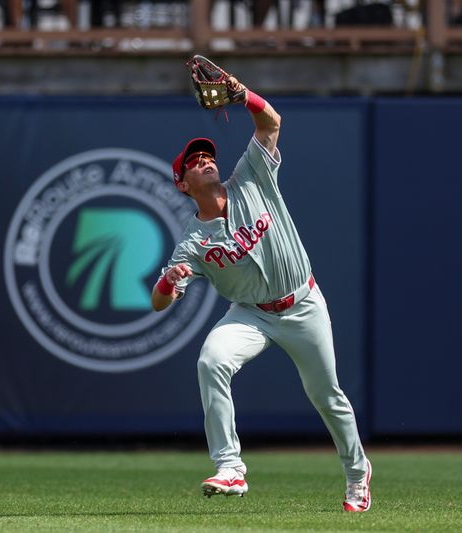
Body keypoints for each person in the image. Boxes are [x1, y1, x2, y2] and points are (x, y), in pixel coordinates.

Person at [150, 71, 372, 512]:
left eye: (206, 155)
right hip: (251, 314)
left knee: (326, 394)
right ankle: (230, 467)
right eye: (193, 162)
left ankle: (357, 473)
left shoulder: (251, 175)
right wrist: (166, 283)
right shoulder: (192, 243)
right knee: (211, 360)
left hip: (302, 302)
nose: (204, 161)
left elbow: (271, 123)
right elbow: (158, 303)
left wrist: (242, 94)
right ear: (182, 183)